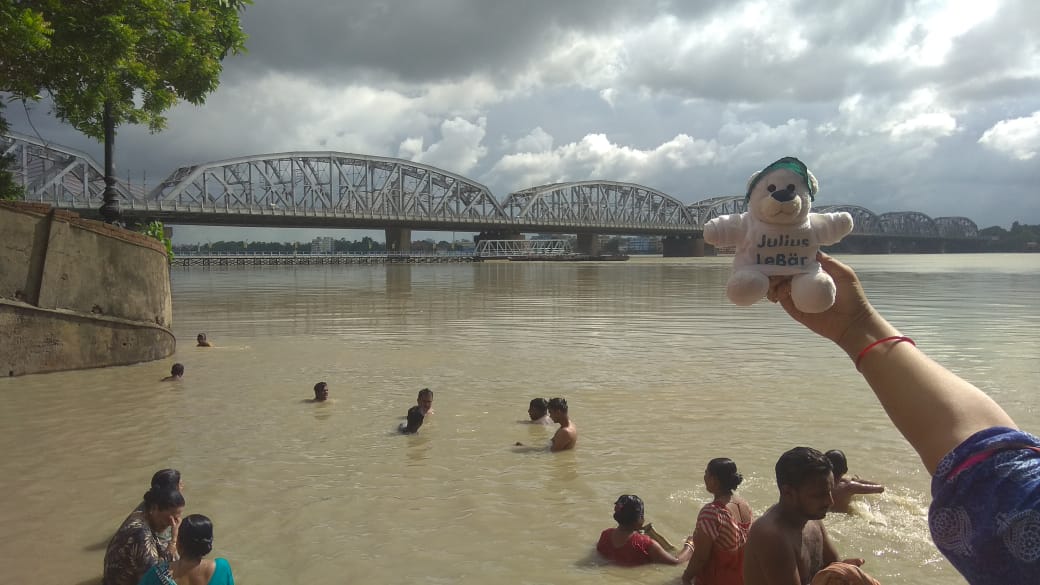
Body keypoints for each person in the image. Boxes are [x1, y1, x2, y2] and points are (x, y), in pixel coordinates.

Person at [769, 252, 1037, 585]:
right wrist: (856, 326)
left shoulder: (812, 512)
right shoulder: (837, 492)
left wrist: (857, 326)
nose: (827, 500)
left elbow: (994, 466)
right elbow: (992, 466)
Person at [743, 447, 865, 585]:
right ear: (788, 493)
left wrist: (844, 571)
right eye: (819, 495)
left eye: (830, 491)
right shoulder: (772, 536)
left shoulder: (812, 519)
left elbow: (831, 566)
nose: (830, 501)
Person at [682, 458, 754, 585]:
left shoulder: (712, 512)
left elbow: (700, 557)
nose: (704, 477)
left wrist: (686, 578)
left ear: (714, 480)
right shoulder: (744, 505)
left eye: (706, 473)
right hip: (743, 578)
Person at [103, 486, 185, 585]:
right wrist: (174, 540)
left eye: (177, 518)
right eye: (170, 518)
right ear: (154, 508)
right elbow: (155, 578)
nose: (173, 524)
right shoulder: (140, 535)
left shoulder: (140, 514)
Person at [597, 494, 695, 566]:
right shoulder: (646, 544)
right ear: (639, 520)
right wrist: (689, 545)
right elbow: (675, 562)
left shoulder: (605, 535)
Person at [138, 513, 234, 585]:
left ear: (179, 544)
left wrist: (173, 540)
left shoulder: (156, 575)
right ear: (209, 543)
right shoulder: (222, 568)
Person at [824, 450, 884, 514]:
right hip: (844, 516)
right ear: (845, 470)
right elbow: (880, 488)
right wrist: (860, 481)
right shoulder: (849, 486)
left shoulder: (818, 484)